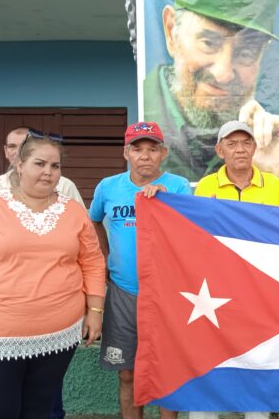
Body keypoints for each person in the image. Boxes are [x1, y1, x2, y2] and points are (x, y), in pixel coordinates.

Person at [0, 133, 106, 417]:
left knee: (39, 411)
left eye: (55, 166)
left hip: (60, 335)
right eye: (39, 163)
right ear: (19, 165)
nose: (48, 172)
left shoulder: (73, 211)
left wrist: (95, 311)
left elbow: (92, 261)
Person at [144, 0, 279, 180]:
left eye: (246, 53)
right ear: (170, 30)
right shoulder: (144, 125)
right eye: (208, 43)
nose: (223, 74)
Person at [90, 122, 191, 419]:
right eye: (137, 148)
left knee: (167, 372)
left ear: (164, 153)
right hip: (123, 292)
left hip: (167, 293)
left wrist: (167, 201)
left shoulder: (178, 186)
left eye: (152, 149)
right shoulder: (108, 187)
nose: (145, 155)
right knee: (127, 375)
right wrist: (105, 256)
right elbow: (94, 220)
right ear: (126, 153)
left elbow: (192, 233)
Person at [191, 121, 279, 419]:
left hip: (259, 291)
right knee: (210, 363)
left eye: (246, 142)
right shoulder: (205, 186)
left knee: (257, 364)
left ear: (255, 147)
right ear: (220, 150)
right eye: (231, 144)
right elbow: (196, 238)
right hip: (216, 292)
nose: (240, 149)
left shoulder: (274, 185)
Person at [0, 127, 84, 205]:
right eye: (12, 146)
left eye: (23, 146)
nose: (18, 151)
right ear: (6, 151)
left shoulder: (65, 186)